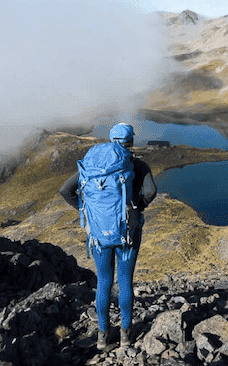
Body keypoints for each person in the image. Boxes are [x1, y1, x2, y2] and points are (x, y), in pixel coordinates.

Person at [59, 123, 157, 350]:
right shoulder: (138, 165)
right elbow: (151, 192)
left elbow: (65, 190)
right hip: (127, 235)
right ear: (131, 142)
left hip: (98, 237)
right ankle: (125, 335)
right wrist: (136, 208)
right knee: (125, 283)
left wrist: (89, 213)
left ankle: (102, 336)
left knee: (103, 282)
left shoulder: (93, 164)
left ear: (111, 139)